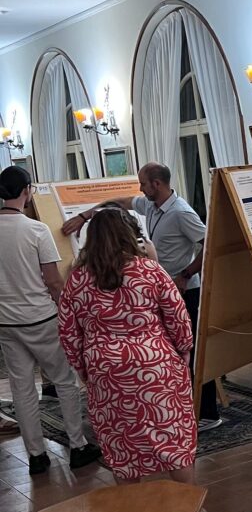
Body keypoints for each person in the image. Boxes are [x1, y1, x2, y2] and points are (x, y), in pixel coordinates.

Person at [62, 162, 221, 430]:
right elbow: (121, 202)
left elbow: (210, 245)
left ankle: (207, 413)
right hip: (161, 287)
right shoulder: (151, 205)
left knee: (194, 354)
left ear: (156, 184)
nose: (140, 188)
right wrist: (86, 215)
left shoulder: (181, 213)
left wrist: (185, 275)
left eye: (143, 183)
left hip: (184, 289)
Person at [58, 207, 197, 483]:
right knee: (174, 443)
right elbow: (178, 316)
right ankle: (191, 506)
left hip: (106, 369)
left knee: (122, 449)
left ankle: (133, 509)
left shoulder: (77, 279)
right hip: (155, 365)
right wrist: (184, 349)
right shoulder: (150, 270)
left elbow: (68, 332)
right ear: (130, 235)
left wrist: (84, 369)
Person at [0, 166, 101, 474]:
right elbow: (54, 282)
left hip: (6, 322)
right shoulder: (36, 230)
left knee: (22, 388)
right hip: (41, 318)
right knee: (65, 381)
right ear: (27, 191)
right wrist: (69, 313)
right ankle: (78, 446)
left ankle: (36, 456)